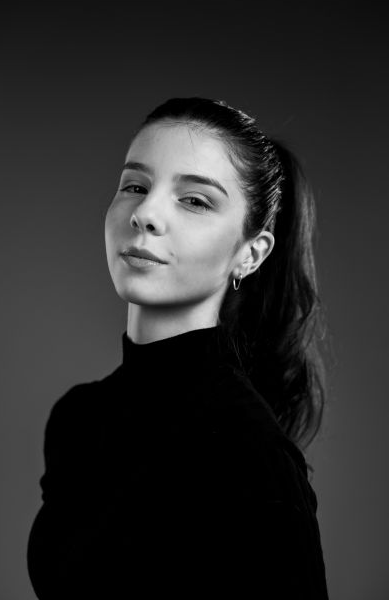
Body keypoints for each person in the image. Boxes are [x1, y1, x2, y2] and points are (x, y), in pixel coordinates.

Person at [27, 96, 330, 599]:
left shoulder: (250, 453)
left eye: (194, 200)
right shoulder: (78, 419)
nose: (145, 213)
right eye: (135, 186)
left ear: (251, 254)